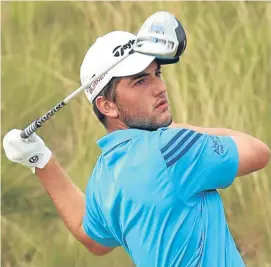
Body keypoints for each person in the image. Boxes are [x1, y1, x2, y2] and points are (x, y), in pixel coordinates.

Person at [3, 30, 270, 267]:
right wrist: (176, 128)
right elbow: (257, 151)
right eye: (140, 81)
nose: (161, 88)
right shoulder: (172, 148)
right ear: (107, 106)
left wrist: (40, 161)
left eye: (157, 74)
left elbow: (94, 239)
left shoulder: (104, 176)